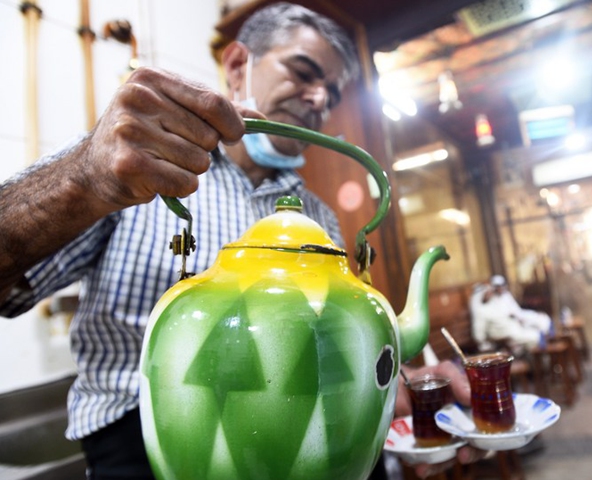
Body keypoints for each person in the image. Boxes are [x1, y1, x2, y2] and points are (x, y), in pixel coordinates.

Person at [0, 4, 481, 478]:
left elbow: (327, 346)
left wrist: (398, 380)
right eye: (303, 71)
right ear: (237, 66)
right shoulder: (132, 169)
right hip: (149, 438)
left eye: (332, 93)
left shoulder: (319, 217)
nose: (318, 100)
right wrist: (84, 177)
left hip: (320, 439)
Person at [470, 275, 552, 354]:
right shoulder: (481, 311)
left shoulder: (495, 304)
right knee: (535, 337)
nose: (489, 294)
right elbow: (479, 336)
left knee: (538, 330)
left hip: (514, 330)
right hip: (506, 336)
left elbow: (514, 313)